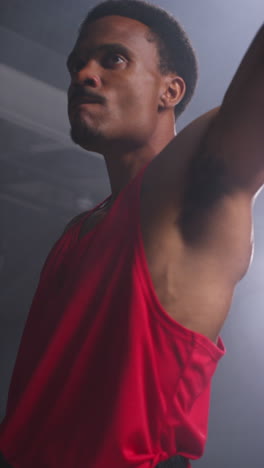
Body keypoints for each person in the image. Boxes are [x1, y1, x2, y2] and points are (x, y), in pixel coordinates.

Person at [0, 0, 263, 467]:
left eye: (113, 59)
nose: (84, 74)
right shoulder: (78, 230)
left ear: (170, 91)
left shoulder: (190, 192)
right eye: (77, 63)